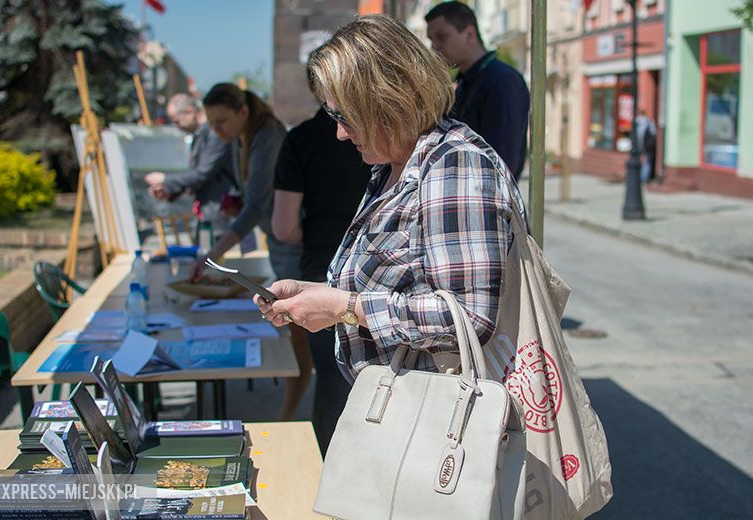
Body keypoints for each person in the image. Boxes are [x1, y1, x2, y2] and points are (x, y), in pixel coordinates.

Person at [256, 15, 527, 390]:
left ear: (387, 100)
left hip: (440, 423)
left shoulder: (454, 162)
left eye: (344, 116)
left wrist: (344, 307)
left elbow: (469, 316)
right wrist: (319, 294)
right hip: (408, 406)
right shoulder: (398, 163)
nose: (338, 132)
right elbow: (397, 283)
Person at [189, 83, 311, 421]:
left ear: (243, 112)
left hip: (293, 243)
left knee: (298, 333)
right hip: (279, 240)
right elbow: (253, 197)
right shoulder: (242, 137)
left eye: (222, 121)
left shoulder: (267, 136)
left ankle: (290, 415)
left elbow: (258, 205)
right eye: (212, 122)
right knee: (293, 332)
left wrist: (214, 253)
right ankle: (292, 410)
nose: (217, 130)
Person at [271, 67, 372, 455]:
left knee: (334, 393)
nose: (343, 134)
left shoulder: (302, 140)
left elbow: (284, 226)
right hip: (358, 285)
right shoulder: (396, 150)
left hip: (325, 267)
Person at [425, 1, 530, 181]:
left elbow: (503, 161)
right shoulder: (464, 82)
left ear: (469, 34)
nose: (434, 47)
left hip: (487, 200)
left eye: (441, 37)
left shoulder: (502, 81)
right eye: (431, 40)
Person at [145, 93, 235, 236]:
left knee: (214, 257)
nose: (177, 127)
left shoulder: (215, 133)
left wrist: (165, 180)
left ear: (189, 112)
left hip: (222, 214)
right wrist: (170, 190)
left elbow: (203, 173)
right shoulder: (200, 135)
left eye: (177, 121)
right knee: (206, 256)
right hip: (210, 213)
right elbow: (196, 174)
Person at [635, 109, 657, 183]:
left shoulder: (640, 123)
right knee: (645, 162)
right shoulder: (647, 122)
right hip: (644, 146)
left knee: (645, 163)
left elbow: (652, 135)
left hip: (644, 146)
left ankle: (643, 178)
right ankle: (642, 178)